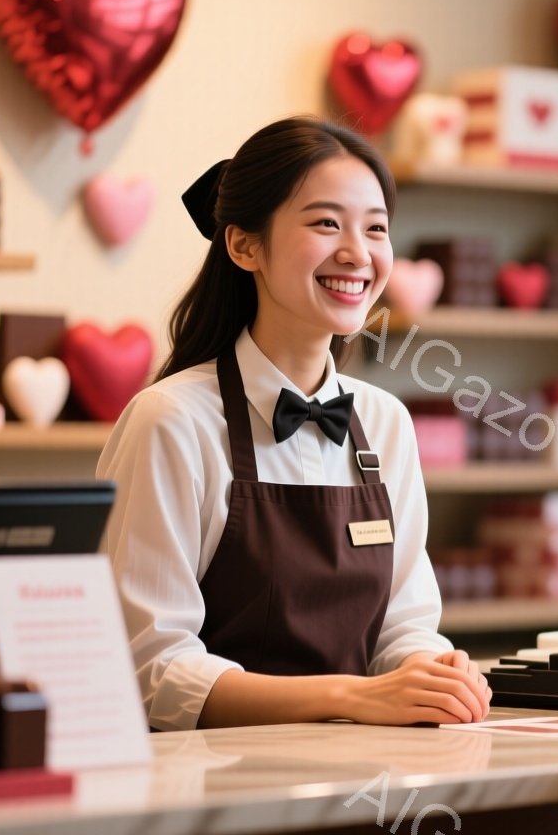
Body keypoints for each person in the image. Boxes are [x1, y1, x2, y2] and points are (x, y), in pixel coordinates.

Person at [98, 116, 491, 730]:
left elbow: (405, 626)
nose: (357, 253)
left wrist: (435, 675)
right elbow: (153, 671)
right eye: (326, 223)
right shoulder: (171, 422)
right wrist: (352, 698)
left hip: (362, 782)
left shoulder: (385, 422)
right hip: (209, 794)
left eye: (377, 228)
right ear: (244, 245)